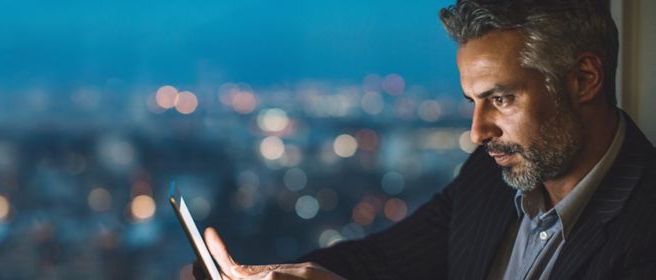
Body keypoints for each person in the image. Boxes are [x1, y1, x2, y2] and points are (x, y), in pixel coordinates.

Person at [194, 0, 656, 279]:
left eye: (500, 98)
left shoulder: (645, 227)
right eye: (472, 101)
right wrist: (267, 276)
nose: (478, 132)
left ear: (584, 79)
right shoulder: (488, 175)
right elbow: (382, 264)